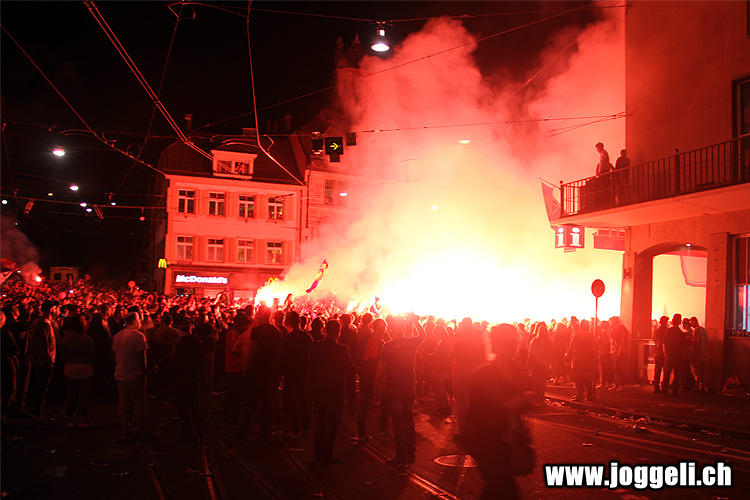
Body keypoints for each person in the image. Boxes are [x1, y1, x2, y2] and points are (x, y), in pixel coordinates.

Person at [465, 324, 532, 500]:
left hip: (508, 439)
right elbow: (478, 412)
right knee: (502, 487)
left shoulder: (515, 367)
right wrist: (510, 405)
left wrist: (523, 402)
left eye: (515, 342)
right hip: (487, 440)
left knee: (498, 489)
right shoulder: (484, 374)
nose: (514, 346)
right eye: (509, 342)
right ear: (498, 344)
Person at [377, 315, 426, 470]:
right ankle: (410, 455)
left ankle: (401, 457)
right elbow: (423, 335)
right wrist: (415, 321)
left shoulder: (387, 346)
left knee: (398, 423)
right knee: (408, 421)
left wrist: (376, 388)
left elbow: (381, 370)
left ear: (391, 329)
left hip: (393, 388)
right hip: (408, 387)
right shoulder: (411, 343)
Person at [310, 319, 355, 464]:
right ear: (339, 332)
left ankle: (318, 454)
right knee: (332, 423)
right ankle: (327, 454)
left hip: (320, 389)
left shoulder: (316, 346)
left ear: (325, 330)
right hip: (336, 391)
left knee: (321, 421)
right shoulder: (342, 349)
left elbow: (311, 368)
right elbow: (350, 369)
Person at [245, 305, 282, 441]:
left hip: (258, 367)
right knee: (267, 399)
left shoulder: (256, 330)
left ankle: (247, 427)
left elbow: (252, 350)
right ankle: (266, 428)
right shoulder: (276, 331)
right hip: (271, 368)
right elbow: (279, 352)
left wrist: (247, 366)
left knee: (252, 398)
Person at [112, 311, 149, 438]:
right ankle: (141, 427)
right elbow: (142, 357)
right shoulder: (138, 336)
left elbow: (115, 354)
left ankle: (124, 427)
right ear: (135, 321)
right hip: (135, 374)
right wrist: (144, 372)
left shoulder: (117, 336)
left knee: (123, 403)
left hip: (120, 373)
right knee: (139, 403)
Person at [451, 317, 485, 441]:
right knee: (475, 401)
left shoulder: (459, 335)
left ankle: (464, 431)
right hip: (475, 371)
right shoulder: (478, 334)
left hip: (461, 370)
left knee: (461, 403)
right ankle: (476, 430)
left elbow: (454, 352)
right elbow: (482, 352)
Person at [58, 315, 95, 427]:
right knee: (83, 396)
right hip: (85, 368)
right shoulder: (87, 339)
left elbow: (62, 356)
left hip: (70, 368)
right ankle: (82, 420)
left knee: (70, 394)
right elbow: (92, 355)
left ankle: (70, 419)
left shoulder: (66, 339)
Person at [280, 310, 313, 438]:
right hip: (304, 372)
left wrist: (282, 374)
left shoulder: (288, 338)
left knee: (292, 401)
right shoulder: (307, 337)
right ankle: (306, 427)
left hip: (291, 373)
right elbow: (311, 356)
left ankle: (295, 429)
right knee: (304, 400)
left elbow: (283, 357)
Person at [173, 318, 204, 441]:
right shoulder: (197, 341)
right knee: (196, 407)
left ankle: (188, 434)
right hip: (195, 378)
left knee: (184, 408)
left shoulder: (181, 344)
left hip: (184, 379)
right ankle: (200, 432)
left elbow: (177, 363)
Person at [27, 299, 58, 419]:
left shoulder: (44, 322)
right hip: (43, 361)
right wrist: (48, 360)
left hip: (42, 360)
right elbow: (44, 344)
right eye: (55, 308)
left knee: (41, 386)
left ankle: (38, 411)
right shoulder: (43, 324)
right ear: (51, 309)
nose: (57, 311)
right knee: (41, 387)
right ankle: (37, 412)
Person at [568, 319, 596, 401]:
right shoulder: (590, 335)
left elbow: (571, 347)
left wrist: (568, 356)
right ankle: (590, 395)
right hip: (588, 359)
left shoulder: (577, 335)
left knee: (578, 378)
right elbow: (594, 347)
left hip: (578, 358)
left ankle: (580, 395)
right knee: (586, 377)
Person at [527, 323, 552, 405]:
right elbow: (551, 352)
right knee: (542, 383)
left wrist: (528, 364)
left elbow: (530, 352)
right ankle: (541, 399)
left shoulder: (535, 340)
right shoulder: (548, 341)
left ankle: (534, 399)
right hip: (544, 363)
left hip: (535, 363)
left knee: (535, 382)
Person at [663, 313, 686, 395]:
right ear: (679, 322)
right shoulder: (681, 333)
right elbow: (683, 345)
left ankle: (664, 389)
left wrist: (666, 354)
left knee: (667, 373)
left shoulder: (668, 331)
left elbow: (665, 343)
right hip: (678, 356)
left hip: (670, 355)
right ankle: (675, 390)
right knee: (677, 374)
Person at [690, 317, 708, 392]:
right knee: (703, 372)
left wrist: (690, 339)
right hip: (704, 353)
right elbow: (706, 342)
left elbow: (696, 341)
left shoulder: (696, 330)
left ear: (694, 322)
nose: (691, 324)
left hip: (697, 354)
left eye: (691, 322)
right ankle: (704, 387)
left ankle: (696, 387)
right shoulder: (703, 330)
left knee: (697, 372)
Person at [652, 316, 669, 393]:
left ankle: (656, 387)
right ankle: (664, 388)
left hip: (658, 353)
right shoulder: (667, 331)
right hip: (665, 354)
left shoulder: (657, 331)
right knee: (666, 371)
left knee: (657, 371)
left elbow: (655, 340)